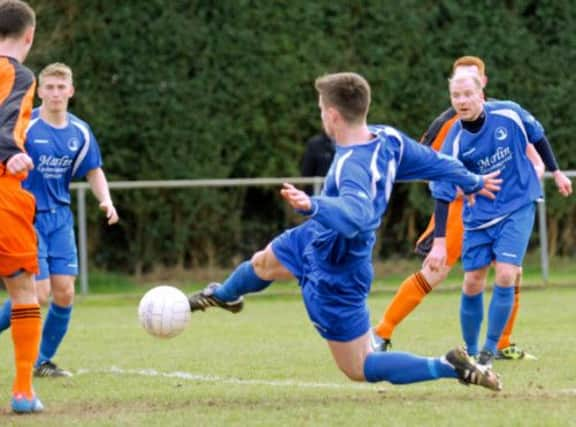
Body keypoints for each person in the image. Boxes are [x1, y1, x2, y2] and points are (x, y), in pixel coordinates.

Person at [188, 72, 503, 392]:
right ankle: (224, 296)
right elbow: (435, 163)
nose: (321, 114)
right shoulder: (387, 139)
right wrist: (473, 181)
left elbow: (359, 216)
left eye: (321, 109)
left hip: (339, 266)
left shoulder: (350, 165)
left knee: (359, 366)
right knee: (263, 263)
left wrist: (315, 206)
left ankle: (448, 366)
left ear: (333, 115)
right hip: (314, 237)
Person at [372, 56, 572, 358]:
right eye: (457, 85)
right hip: (460, 209)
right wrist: (467, 186)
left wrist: (539, 164)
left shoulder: (503, 113)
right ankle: (382, 332)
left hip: (504, 204)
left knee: (510, 272)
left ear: (482, 84)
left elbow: (527, 143)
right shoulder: (448, 125)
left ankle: (501, 344)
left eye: (470, 81)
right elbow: (428, 163)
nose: (463, 94)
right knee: (436, 272)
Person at [426, 71, 564, 368]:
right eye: (456, 96)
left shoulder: (509, 113)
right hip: (478, 217)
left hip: (517, 205)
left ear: (481, 95)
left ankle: (489, 351)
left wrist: (556, 171)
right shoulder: (454, 140)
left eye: (467, 94)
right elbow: (442, 191)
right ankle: (472, 352)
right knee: (473, 281)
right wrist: (438, 243)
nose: (462, 101)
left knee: (505, 273)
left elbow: (537, 136)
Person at [0, 62, 119, 377]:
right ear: (39, 91)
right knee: (37, 295)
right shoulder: (26, 125)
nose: (55, 93)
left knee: (64, 292)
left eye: (60, 87)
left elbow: (94, 170)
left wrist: (105, 200)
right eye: (49, 87)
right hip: (26, 216)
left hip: (60, 219)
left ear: (71, 91)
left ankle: (42, 361)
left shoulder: (79, 131)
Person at [0, 0, 44, 414]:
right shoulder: (19, 73)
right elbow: (7, 116)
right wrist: (10, 151)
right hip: (3, 193)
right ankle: (22, 391)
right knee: (23, 290)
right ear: (28, 35)